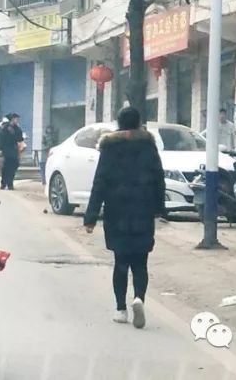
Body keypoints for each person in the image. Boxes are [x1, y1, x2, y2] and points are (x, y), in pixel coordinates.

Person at [83, 107, 165, 329]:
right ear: (139, 123)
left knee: (121, 261)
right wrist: (160, 208)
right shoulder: (148, 145)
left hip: (116, 212)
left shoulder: (110, 148)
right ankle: (139, 297)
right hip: (142, 211)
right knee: (140, 261)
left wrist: (90, 216)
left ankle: (121, 309)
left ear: (119, 124)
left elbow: (99, 182)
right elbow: (159, 177)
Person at [0, 113, 25, 190]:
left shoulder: (17, 128)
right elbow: (1, 139)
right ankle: (3, 183)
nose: (17, 120)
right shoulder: (5, 128)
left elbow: (20, 138)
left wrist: (22, 138)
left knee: (14, 166)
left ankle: (10, 184)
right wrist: (0, 149)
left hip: (14, 149)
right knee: (6, 167)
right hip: (6, 149)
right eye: (16, 119)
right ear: (12, 119)